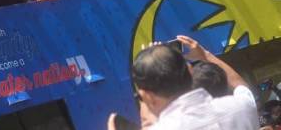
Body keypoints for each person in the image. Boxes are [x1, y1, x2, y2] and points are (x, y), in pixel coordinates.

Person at [109, 34, 258, 129]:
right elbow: (241, 86)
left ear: (146, 96)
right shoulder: (241, 107)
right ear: (190, 70)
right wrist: (206, 56)